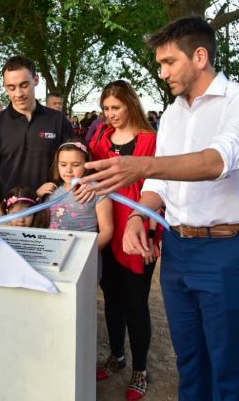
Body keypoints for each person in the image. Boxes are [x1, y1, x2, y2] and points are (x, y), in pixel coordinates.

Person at [85, 16, 239, 401]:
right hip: (178, 249)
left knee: (227, 365)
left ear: (199, 56)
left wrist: (142, 164)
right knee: (189, 360)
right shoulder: (172, 114)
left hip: (227, 248)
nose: (162, 71)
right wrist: (138, 213)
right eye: (160, 64)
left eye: (169, 62)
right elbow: (159, 184)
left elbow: (217, 162)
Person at [87, 80, 158, 401]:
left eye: (116, 107)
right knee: (111, 297)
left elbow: (159, 188)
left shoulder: (150, 141)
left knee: (135, 302)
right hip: (106, 227)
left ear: (130, 104)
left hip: (138, 231)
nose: (111, 114)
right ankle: (117, 354)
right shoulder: (101, 138)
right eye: (106, 108)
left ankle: (140, 369)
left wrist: (152, 231)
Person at [0, 56, 74, 218]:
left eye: (24, 85)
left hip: (50, 213)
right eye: (11, 87)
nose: (18, 93)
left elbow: (73, 165)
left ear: (35, 80)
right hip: (9, 215)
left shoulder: (57, 121)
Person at [37, 141, 113, 248]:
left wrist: (85, 252)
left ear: (87, 164)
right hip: (53, 253)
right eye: (63, 164)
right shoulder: (51, 191)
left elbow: (107, 232)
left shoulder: (97, 190)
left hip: (85, 255)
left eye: (75, 165)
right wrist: (37, 196)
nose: (68, 170)